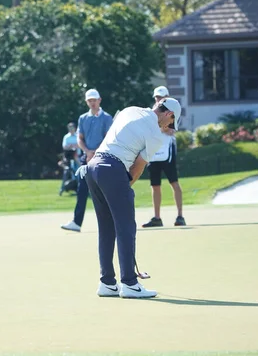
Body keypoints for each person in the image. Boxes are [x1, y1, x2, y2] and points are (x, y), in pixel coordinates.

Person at [83, 97, 181, 298]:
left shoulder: (130, 110)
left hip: (92, 168)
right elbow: (137, 168)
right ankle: (129, 283)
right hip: (112, 168)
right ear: (169, 114)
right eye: (170, 122)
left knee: (107, 227)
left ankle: (107, 283)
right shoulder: (155, 134)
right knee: (126, 226)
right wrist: (121, 189)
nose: (167, 126)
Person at [61, 89, 113, 232]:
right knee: (82, 189)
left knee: (105, 191)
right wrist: (87, 151)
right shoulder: (83, 118)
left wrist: (95, 152)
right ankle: (77, 222)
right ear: (86, 102)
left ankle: (113, 221)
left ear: (99, 100)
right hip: (86, 157)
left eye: (94, 100)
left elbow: (108, 139)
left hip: (103, 158)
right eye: (89, 100)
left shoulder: (107, 118)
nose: (92, 103)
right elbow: (80, 138)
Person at [143, 86, 186, 227]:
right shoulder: (152, 112)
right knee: (155, 185)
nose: (158, 99)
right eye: (156, 97)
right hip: (154, 153)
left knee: (174, 182)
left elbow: (168, 129)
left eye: (161, 96)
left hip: (167, 152)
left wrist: (157, 126)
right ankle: (157, 217)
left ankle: (180, 216)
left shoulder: (173, 111)